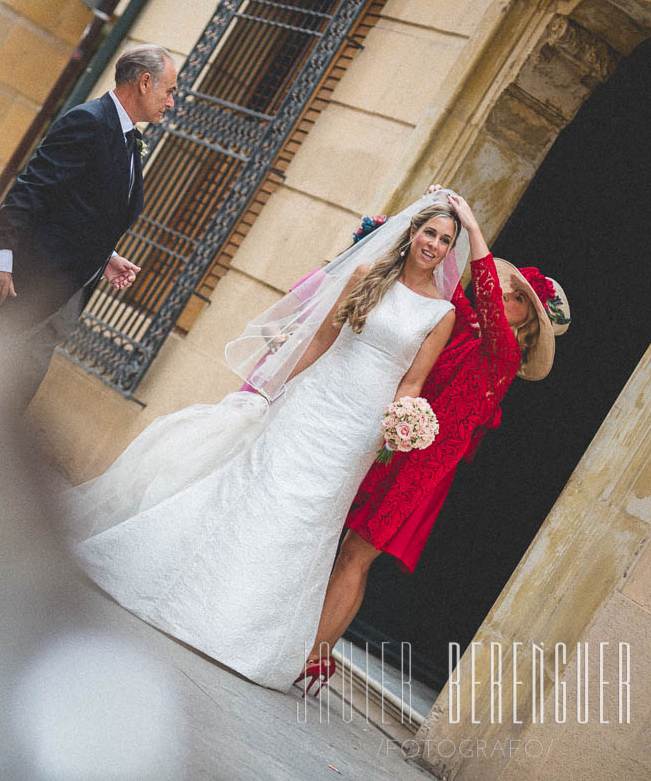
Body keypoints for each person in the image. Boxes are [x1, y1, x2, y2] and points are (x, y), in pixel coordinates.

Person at [64, 190, 472, 692]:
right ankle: (186, 595)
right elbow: (321, 339)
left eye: (445, 240)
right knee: (261, 491)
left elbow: (412, 381)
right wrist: (272, 389)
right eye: (429, 232)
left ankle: (245, 631)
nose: (434, 244)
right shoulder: (366, 276)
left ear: (451, 251)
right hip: (315, 401)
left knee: (308, 520)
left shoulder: (441, 314)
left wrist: (400, 424)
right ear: (412, 233)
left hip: (358, 432)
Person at [299, 190, 572, 693]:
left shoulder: (504, 353)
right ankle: (315, 652)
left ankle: (313, 656)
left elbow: (481, 294)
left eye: (518, 300)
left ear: (528, 320)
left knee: (356, 557)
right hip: (396, 448)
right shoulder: (469, 327)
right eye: (511, 292)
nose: (506, 298)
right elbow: (443, 287)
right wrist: (389, 234)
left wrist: (472, 228)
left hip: (421, 470)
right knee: (340, 549)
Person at [0, 44, 178, 404]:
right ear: (145, 82)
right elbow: (31, 189)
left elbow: (83, 206)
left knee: (4, 408)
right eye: (170, 91)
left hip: (60, 303)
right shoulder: (88, 121)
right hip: (22, 288)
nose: (171, 102)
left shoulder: (130, 140)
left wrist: (107, 255)